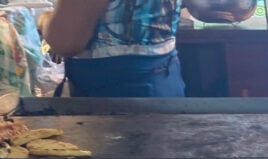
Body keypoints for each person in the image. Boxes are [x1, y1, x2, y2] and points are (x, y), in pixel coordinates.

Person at [42, 0, 186, 98]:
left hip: (114, 96)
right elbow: (204, 9)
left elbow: (67, 42)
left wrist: (44, 20)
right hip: (165, 81)